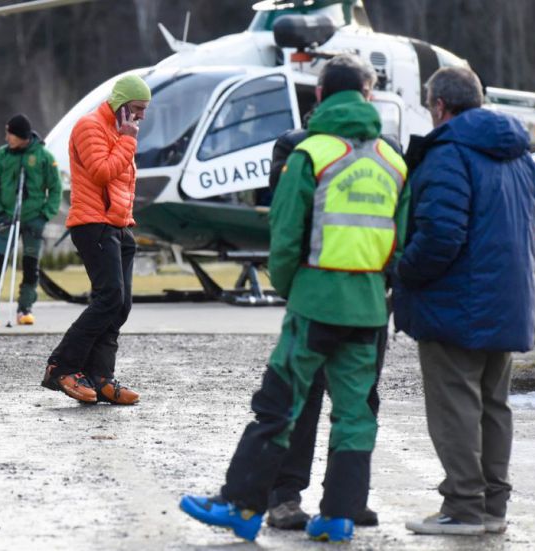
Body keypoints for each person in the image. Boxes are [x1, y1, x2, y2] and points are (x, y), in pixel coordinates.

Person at [178, 54, 409, 543]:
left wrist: (293, 287)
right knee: (355, 413)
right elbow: (400, 242)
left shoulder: (309, 155)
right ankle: (339, 516)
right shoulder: (393, 161)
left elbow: (283, 239)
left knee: (279, 403)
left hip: (315, 302)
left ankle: (241, 505)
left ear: (320, 96)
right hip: (369, 309)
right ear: (367, 97)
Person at [398, 67, 535, 536]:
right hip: (507, 302)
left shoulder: (447, 154)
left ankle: (463, 509)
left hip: (453, 303)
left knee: (456, 406)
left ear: (439, 106)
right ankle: (492, 509)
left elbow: (440, 234)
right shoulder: (522, 158)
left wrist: (404, 270)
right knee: (493, 405)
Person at [40, 74, 150, 406]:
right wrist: (128, 140)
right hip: (93, 223)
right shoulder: (89, 127)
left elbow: (121, 180)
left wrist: (124, 138)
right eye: (136, 109)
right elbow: (102, 171)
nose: (140, 117)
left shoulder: (118, 131)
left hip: (119, 225)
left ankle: (101, 377)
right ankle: (63, 366)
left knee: (121, 304)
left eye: (143, 110)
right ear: (119, 105)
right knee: (109, 298)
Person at [0, 113, 62, 326]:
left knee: (30, 265)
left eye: (10, 134)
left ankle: (25, 309)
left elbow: (55, 189)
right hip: (6, 218)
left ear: (22, 136)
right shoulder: (1, 155)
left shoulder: (43, 156)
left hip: (34, 218)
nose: (7, 138)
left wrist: (45, 215)